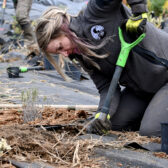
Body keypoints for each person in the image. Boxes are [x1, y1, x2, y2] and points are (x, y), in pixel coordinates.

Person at [35, 0, 168, 137]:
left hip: (164, 75)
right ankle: (156, 110)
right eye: (58, 53)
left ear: (64, 29)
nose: (64, 54)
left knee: (150, 132)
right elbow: (106, 86)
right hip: (143, 89)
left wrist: (139, 12)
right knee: (114, 125)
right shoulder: (82, 56)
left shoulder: (95, 13)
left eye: (60, 47)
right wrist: (102, 114)